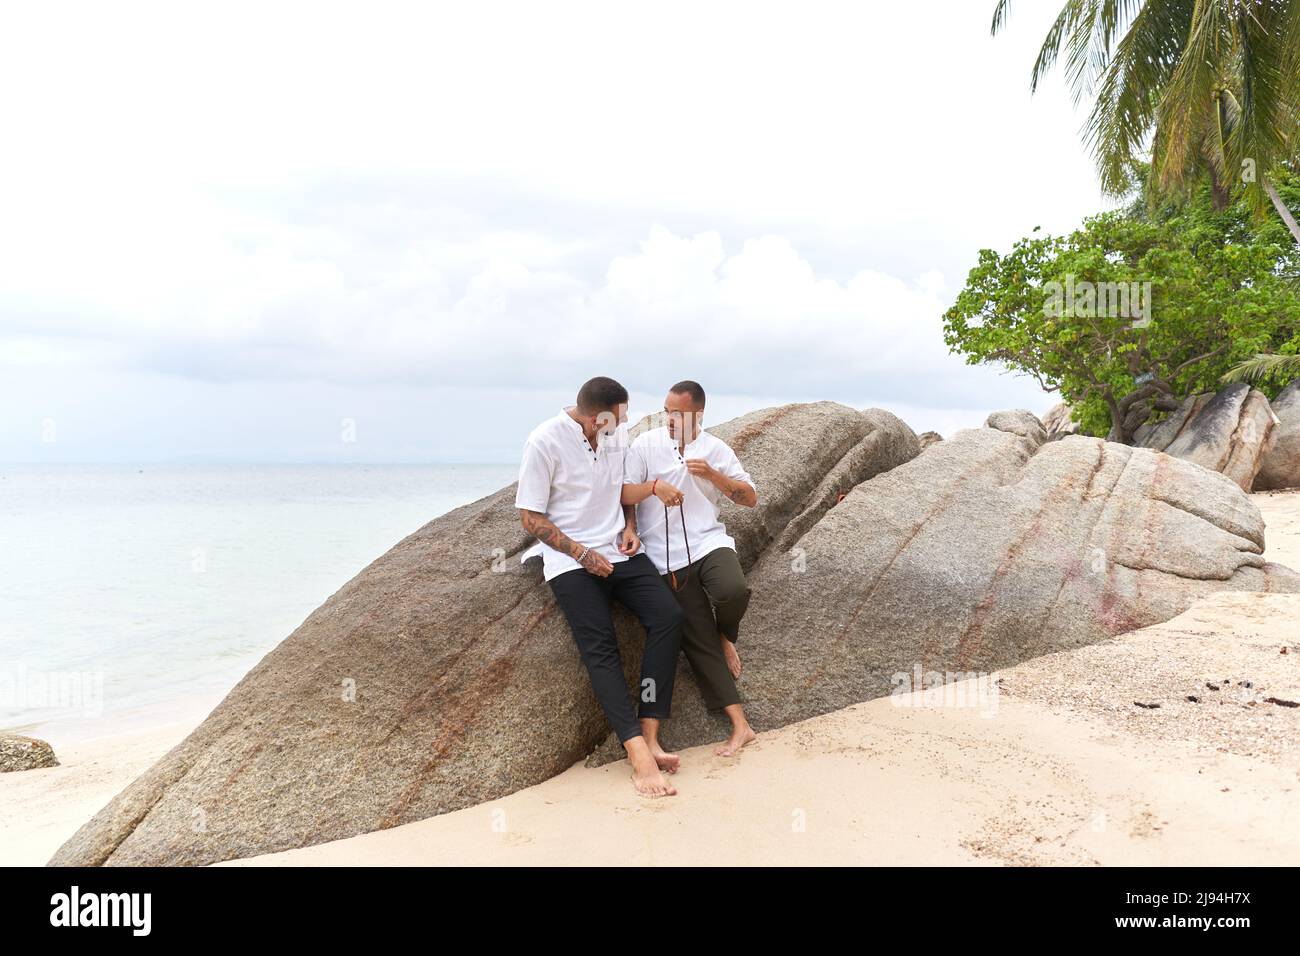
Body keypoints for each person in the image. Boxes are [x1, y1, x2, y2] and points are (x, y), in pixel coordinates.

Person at [515, 376, 685, 797]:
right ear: (595, 419)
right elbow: (530, 518)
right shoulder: (544, 441)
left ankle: (650, 731)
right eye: (618, 418)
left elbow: (621, 489)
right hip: (570, 560)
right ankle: (637, 754)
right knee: (601, 646)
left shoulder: (613, 435)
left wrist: (629, 526)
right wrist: (581, 554)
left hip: (617, 548)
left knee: (668, 616)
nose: (624, 424)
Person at [621, 380, 759, 756]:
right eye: (666, 411)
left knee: (733, 590)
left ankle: (726, 632)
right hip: (663, 558)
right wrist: (634, 522)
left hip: (707, 543)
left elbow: (749, 499)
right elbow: (623, 493)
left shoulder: (716, 449)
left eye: (677, 414)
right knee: (697, 641)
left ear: (697, 415)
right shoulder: (645, 445)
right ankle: (740, 726)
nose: (669, 419)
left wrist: (714, 476)